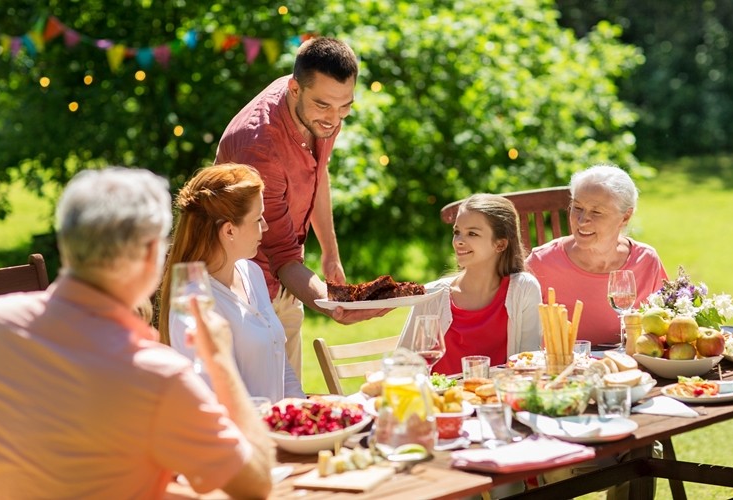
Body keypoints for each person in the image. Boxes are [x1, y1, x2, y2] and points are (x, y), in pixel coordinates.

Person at [0, 168, 274, 498]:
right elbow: (255, 484)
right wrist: (219, 358)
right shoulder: (159, 377)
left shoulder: (1, 323)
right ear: (149, 255)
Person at [215, 37, 388, 381]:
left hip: (287, 280)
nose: (334, 120)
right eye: (325, 106)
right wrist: (332, 304)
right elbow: (280, 254)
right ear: (294, 89)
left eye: (345, 107)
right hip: (238, 289)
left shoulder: (317, 112)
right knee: (259, 409)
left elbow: (316, 171)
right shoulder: (259, 145)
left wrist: (330, 253)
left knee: (289, 399)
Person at [158, 163, 304, 403]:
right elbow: (214, 399)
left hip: (277, 434)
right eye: (258, 219)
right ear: (229, 231)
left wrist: (300, 409)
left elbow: (277, 359)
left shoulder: (252, 273)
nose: (265, 227)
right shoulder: (195, 302)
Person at [526, 163, 668, 346]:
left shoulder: (646, 261)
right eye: (577, 207)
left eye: (596, 212)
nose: (582, 220)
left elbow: (666, 327)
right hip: (560, 370)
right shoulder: (541, 263)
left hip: (626, 369)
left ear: (625, 217)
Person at [398, 193, 542, 373]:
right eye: (457, 232)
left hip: (497, 398)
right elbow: (402, 364)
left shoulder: (524, 289)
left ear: (500, 244)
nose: (458, 241)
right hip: (439, 399)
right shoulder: (431, 295)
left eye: (472, 233)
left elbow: (529, 365)